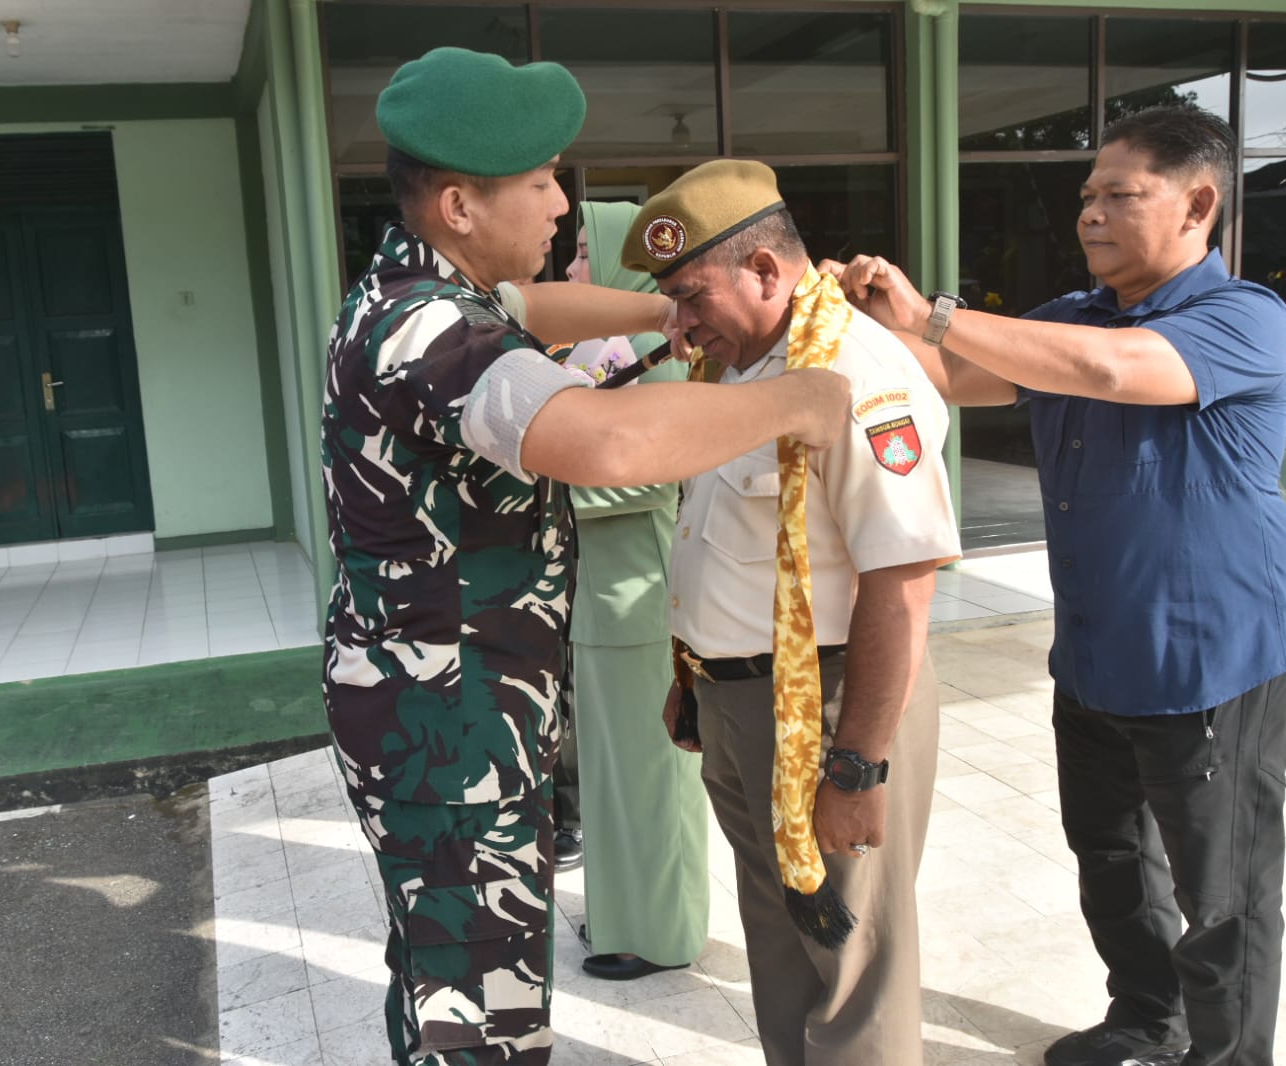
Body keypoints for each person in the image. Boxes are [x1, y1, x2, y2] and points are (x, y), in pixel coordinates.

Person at [319, 49, 852, 1066]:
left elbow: (539, 311)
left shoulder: (425, 291)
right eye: (539, 182)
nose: (562, 204)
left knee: (441, 961)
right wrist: (794, 398)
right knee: (477, 998)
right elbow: (603, 442)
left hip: (439, 703)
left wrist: (665, 311)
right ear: (459, 205)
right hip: (448, 727)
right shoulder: (433, 332)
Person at [826, 105, 1286, 1066]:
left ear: (1197, 205)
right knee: (1111, 857)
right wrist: (856, 318)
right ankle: (1147, 1018)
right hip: (1092, 651)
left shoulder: (1243, 318)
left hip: (1207, 659)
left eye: (1118, 195)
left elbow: (1107, 372)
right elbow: (952, 376)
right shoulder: (1067, 317)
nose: (1089, 213)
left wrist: (935, 313)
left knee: (1224, 896)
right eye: (1086, 195)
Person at [621, 160, 961, 1066]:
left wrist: (856, 767)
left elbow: (903, 581)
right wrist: (697, 679)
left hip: (832, 705)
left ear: (766, 270)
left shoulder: (853, 369)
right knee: (777, 939)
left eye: (690, 295)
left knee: (849, 959)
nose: (678, 321)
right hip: (736, 703)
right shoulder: (737, 364)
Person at [558, 200, 709, 981]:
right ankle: (622, 916)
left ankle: (664, 934)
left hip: (640, 595)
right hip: (598, 594)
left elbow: (659, 473)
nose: (571, 266)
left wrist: (549, 480)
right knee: (612, 772)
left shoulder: (661, 351)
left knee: (652, 773)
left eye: (586, 250)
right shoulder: (589, 348)